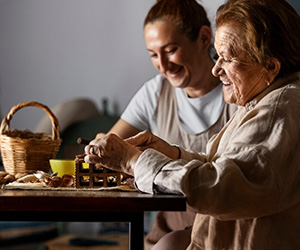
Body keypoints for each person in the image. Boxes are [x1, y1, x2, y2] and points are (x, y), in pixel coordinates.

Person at [85, 0, 300, 249]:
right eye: (217, 57)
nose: (216, 70)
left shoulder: (277, 111)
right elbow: (229, 168)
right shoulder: (264, 99)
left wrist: (132, 161)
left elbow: (222, 189)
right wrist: (173, 154)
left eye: (227, 59)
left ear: (271, 66)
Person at [92, 0, 236, 248]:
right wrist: (101, 147)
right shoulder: (155, 92)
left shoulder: (238, 91)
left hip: (225, 233)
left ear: (203, 38)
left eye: (170, 50)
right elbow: (113, 145)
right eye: (153, 55)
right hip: (167, 230)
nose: (163, 65)